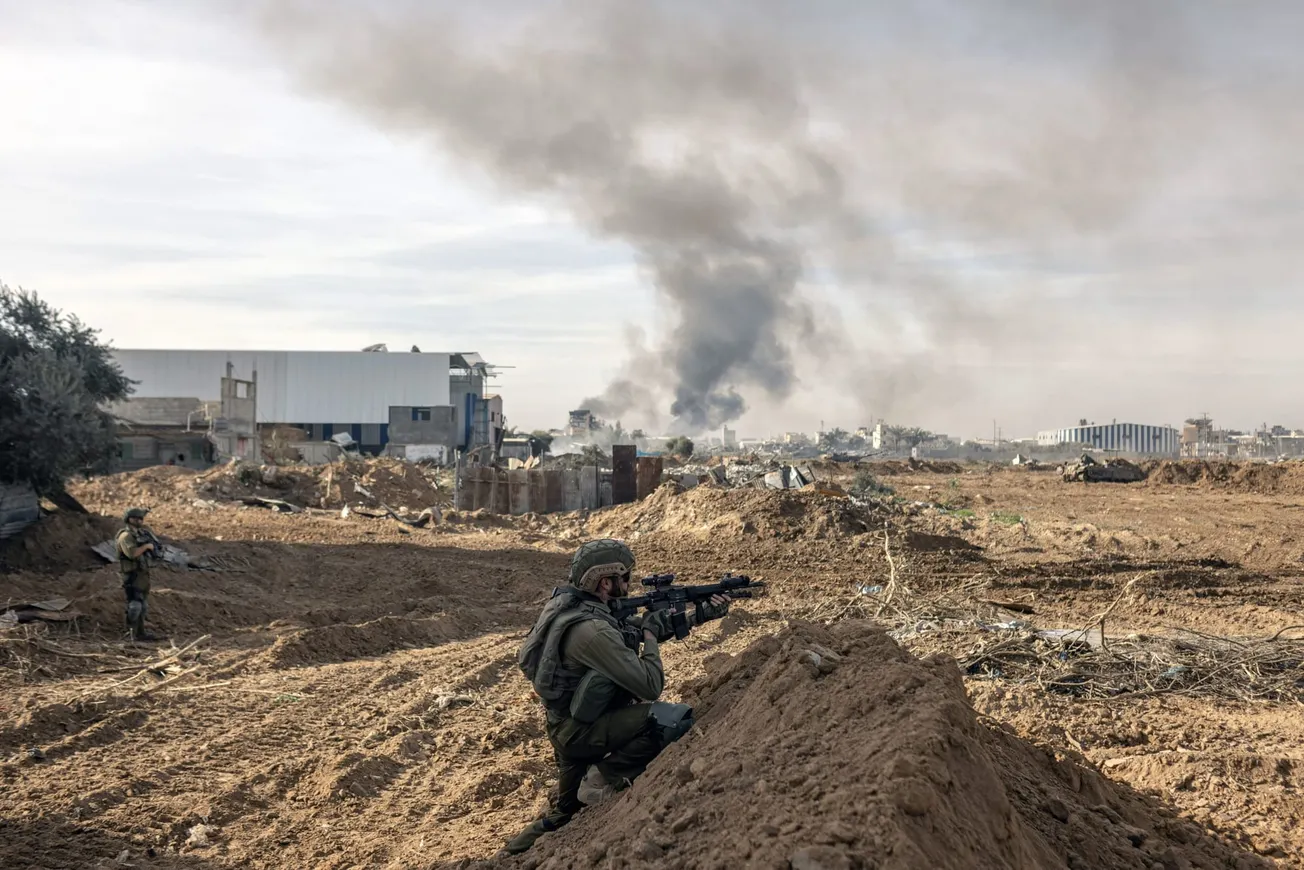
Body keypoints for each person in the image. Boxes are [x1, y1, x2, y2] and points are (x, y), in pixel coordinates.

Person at [502, 538, 730, 855]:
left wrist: (698, 615)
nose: (630, 583)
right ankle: (601, 778)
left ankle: (508, 855)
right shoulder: (593, 631)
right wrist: (650, 634)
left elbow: (629, 632)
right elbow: (650, 684)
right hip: (582, 733)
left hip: (567, 725)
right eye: (625, 577)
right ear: (605, 581)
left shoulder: (576, 607)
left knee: (563, 815)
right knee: (670, 721)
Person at [115, 507, 157, 641]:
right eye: (136, 518)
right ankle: (130, 633)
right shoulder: (125, 536)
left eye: (141, 518)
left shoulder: (140, 535)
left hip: (142, 574)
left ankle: (140, 633)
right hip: (131, 575)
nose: (139, 521)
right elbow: (132, 554)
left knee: (143, 606)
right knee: (135, 606)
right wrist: (146, 547)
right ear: (129, 519)